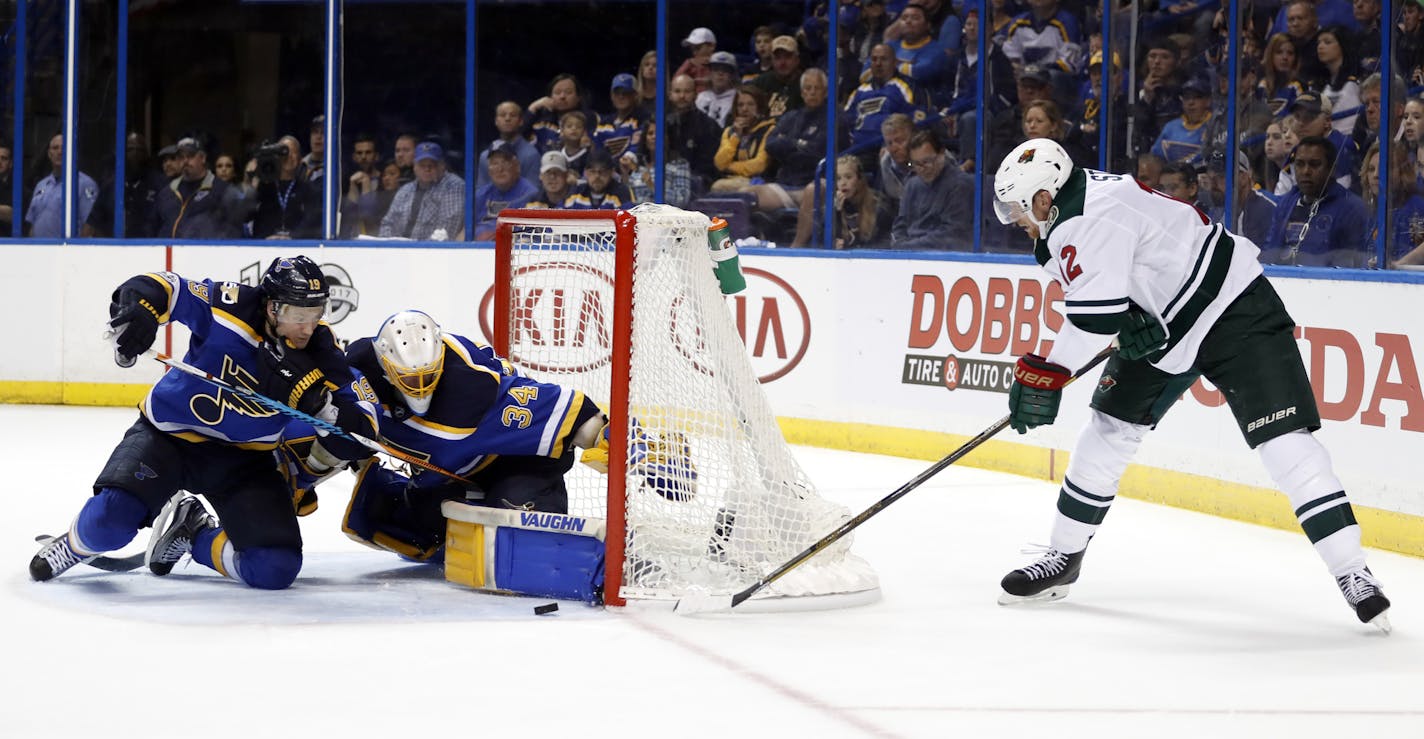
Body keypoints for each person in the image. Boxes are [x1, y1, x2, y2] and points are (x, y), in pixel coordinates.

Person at [991, 137, 1390, 632]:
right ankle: (1063, 557)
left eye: (1016, 208)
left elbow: (1091, 319)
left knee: (1285, 445)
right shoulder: (1065, 216)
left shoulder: (1086, 217)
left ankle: (1354, 573)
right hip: (1166, 325)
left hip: (1232, 306)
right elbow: (1115, 285)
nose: (1014, 220)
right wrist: (1133, 316)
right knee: (1108, 429)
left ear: (1043, 197)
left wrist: (1047, 373)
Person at [29, 256, 378, 589]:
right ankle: (74, 546)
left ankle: (192, 533)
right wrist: (140, 311)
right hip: (169, 439)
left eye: (315, 313)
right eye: (297, 314)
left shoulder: (320, 349)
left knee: (274, 568)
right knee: (108, 525)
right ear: (272, 305)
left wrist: (320, 406)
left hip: (246, 461)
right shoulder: (231, 306)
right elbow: (166, 287)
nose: (308, 326)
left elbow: (361, 431)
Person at [334, 310, 612, 562]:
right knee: (394, 523)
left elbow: (570, 412)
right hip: (454, 469)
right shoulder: (359, 373)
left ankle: (521, 502)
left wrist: (613, 440)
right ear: (386, 367)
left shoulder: (474, 388)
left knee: (518, 551)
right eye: (408, 379)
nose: (420, 388)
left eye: (429, 376)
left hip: (514, 460)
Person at [1262, 135, 1370, 267]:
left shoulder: (1352, 208)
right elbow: (1269, 253)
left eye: (1314, 164)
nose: (1306, 171)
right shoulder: (1286, 204)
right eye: (1300, 164)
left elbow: (1354, 264)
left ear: (1332, 169)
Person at [890, 129, 974, 250]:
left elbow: (952, 234)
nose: (922, 169)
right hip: (909, 253)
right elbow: (900, 225)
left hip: (943, 257)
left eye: (927, 161)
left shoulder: (960, 185)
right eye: (916, 164)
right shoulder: (912, 185)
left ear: (942, 154)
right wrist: (900, 245)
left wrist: (907, 247)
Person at [151, 137, 243, 239]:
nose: (185, 161)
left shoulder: (223, 190)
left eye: (190, 156)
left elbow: (234, 232)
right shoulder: (167, 192)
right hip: (167, 253)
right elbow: (154, 227)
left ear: (203, 158)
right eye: (181, 157)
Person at [381, 141, 467, 240]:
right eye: (422, 165)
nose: (427, 169)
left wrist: (418, 251)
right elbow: (387, 223)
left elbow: (446, 230)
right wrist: (388, 245)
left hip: (431, 251)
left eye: (432, 165)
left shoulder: (453, 186)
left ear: (442, 165)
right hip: (398, 249)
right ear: (414, 166)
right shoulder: (405, 190)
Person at [26, 133, 99, 238]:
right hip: (38, 251)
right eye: (55, 148)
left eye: (64, 148)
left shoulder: (85, 184)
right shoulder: (41, 185)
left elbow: (89, 226)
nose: (60, 152)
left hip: (66, 252)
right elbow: (34, 223)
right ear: (49, 154)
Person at [816, 154, 895, 249]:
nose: (843, 183)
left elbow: (885, 242)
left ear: (859, 179)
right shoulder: (829, 209)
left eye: (848, 177)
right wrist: (836, 213)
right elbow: (822, 243)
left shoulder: (878, 205)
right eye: (838, 178)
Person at [251, 135, 321, 239]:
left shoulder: (308, 190)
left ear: (300, 159)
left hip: (297, 247)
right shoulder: (265, 188)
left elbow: (312, 222)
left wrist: (292, 237)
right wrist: (251, 186)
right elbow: (248, 217)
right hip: (265, 246)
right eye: (285, 152)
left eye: (294, 152)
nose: (290, 156)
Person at [476, 102, 541, 191]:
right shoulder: (485, 156)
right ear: (496, 121)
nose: (507, 118)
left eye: (512, 115)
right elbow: (481, 191)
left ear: (521, 121)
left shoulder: (531, 155)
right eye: (503, 115)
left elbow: (533, 193)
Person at [564, 148, 635, 209]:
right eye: (592, 171)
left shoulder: (622, 192)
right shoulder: (576, 192)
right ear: (585, 172)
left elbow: (627, 219)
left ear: (612, 172)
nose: (597, 176)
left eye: (602, 171)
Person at [696, 51, 740, 127]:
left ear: (732, 75)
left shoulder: (738, 99)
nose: (720, 73)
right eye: (716, 69)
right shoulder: (701, 97)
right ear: (710, 73)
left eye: (725, 70)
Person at [675, 27, 718, 94]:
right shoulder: (689, 64)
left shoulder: (721, 64)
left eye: (697, 48)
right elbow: (675, 84)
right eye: (692, 49)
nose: (694, 52)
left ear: (712, 46)